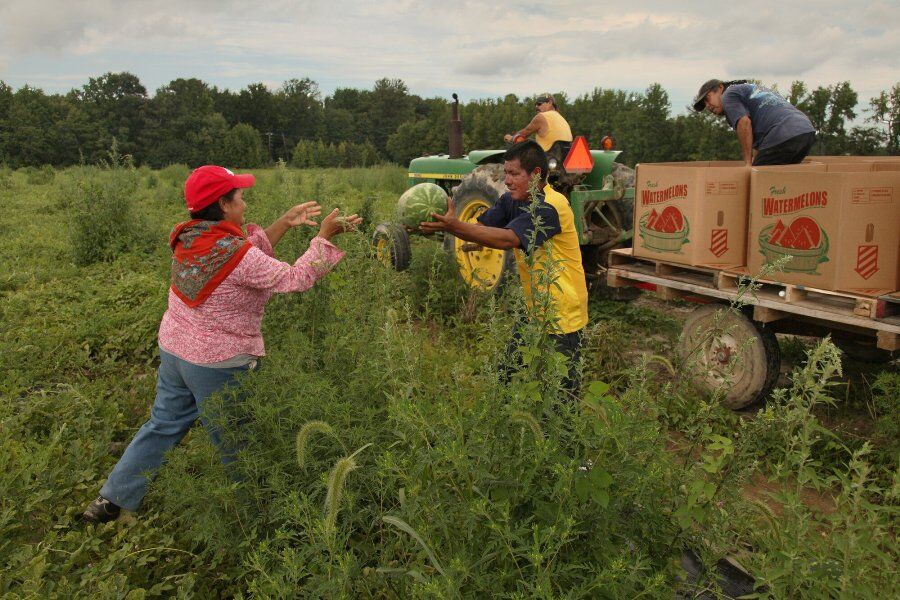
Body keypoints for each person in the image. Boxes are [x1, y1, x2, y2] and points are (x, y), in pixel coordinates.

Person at [81, 165, 361, 523]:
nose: (244, 202)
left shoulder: (192, 237)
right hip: (216, 364)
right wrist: (324, 238)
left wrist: (284, 223)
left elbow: (243, 254)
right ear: (224, 205)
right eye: (239, 197)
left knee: (163, 423)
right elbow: (294, 278)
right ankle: (258, 518)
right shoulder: (237, 254)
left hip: (175, 349)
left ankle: (112, 501)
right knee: (236, 443)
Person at [421, 140, 588, 394]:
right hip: (534, 307)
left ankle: (563, 434)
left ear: (535, 175)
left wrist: (453, 226)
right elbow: (481, 228)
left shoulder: (552, 206)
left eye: (514, 174)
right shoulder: (512, 200)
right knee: (508, 373)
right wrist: (440, 223)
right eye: (505, 173)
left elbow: (510, 239)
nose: (507, 180)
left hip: (562, 313)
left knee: (562, 394)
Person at [693, 79, 816, 166]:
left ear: (720, 88)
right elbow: (760, 145)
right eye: (704, 105)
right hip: (806, 131)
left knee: (758, 179)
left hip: (784, 133)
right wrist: (755, 162)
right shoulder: (751, 91)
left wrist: (748, 164)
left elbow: (744, 123)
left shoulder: (728, 95)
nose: (708, 106)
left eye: (707, 99)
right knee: (780, 182)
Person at [503, 93, 573, 152]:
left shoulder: (542, 116)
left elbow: (523, 134)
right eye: (535, 104)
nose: (536, 106)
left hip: (547, 159)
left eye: (539, 104)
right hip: (564, 159)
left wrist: (511, 138)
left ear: (550, 103)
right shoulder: (562, 119)